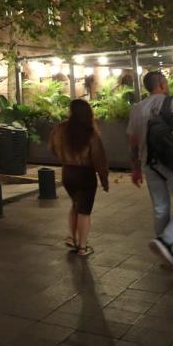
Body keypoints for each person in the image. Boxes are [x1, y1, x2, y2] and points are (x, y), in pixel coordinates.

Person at [128, 70, 173, 268]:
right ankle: (166, 242)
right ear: (162, 84)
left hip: (149, 163)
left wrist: (135, 168)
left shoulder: (137, 108)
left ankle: (167, 251)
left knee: (160, 207)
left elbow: (132, 142)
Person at [49, 99, 109, 257]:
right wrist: (104, 178)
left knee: (76, 204)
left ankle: (73, 237)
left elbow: (52, 148)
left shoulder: (61, 128)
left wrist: (64, 158)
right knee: (84, 211)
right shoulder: (90, 131)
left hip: (67, 172)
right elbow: (98, 157)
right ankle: (82, 247)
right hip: (85, 174)